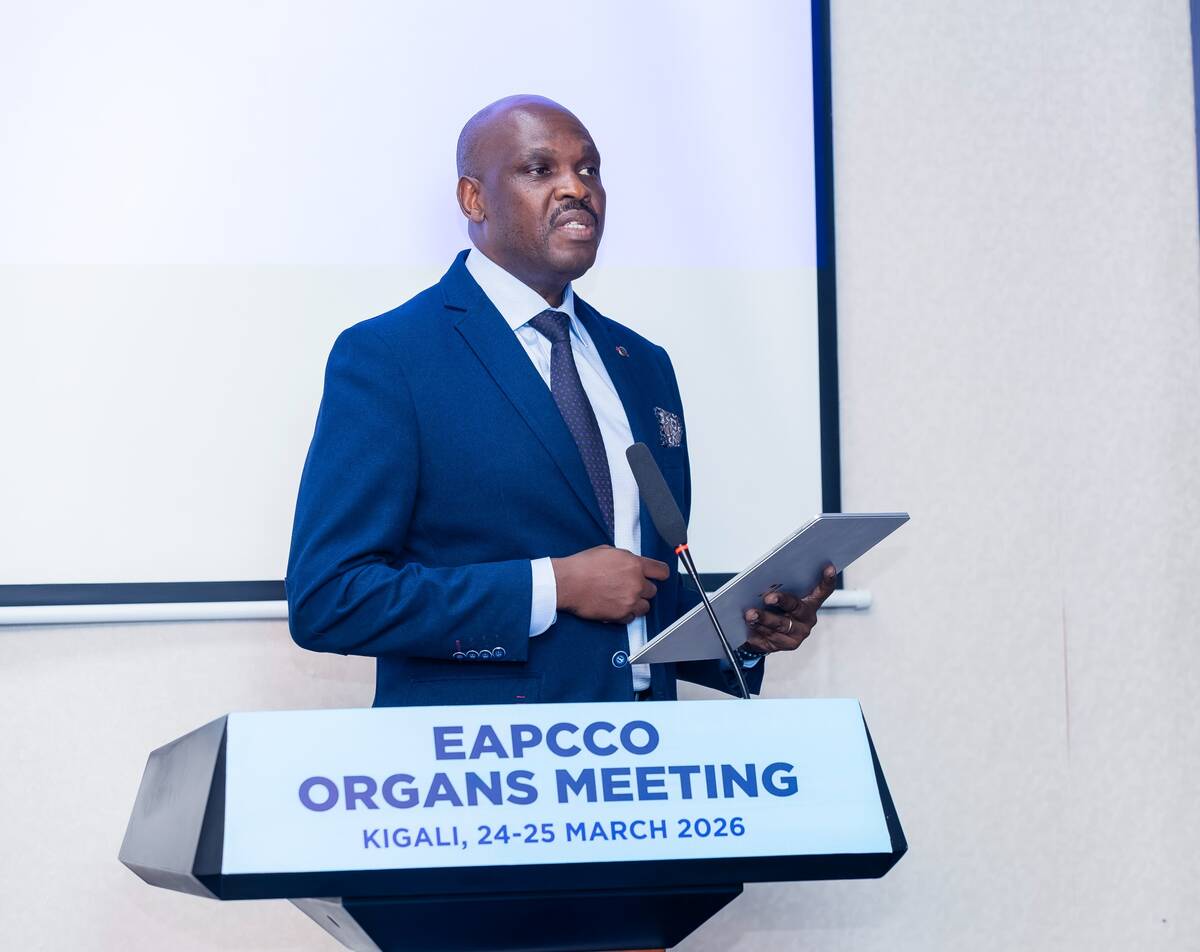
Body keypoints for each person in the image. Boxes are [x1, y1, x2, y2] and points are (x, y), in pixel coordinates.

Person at [286, 95, 836, 706]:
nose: (577, 188)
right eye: (539, 169)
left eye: (589, 169)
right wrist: (552, 587)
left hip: (647, 749)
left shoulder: (643, 363)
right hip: (479, 753)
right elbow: (330, 598)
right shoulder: (391, 356)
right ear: (473, 199)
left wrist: (744, 631)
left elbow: (634, 588)